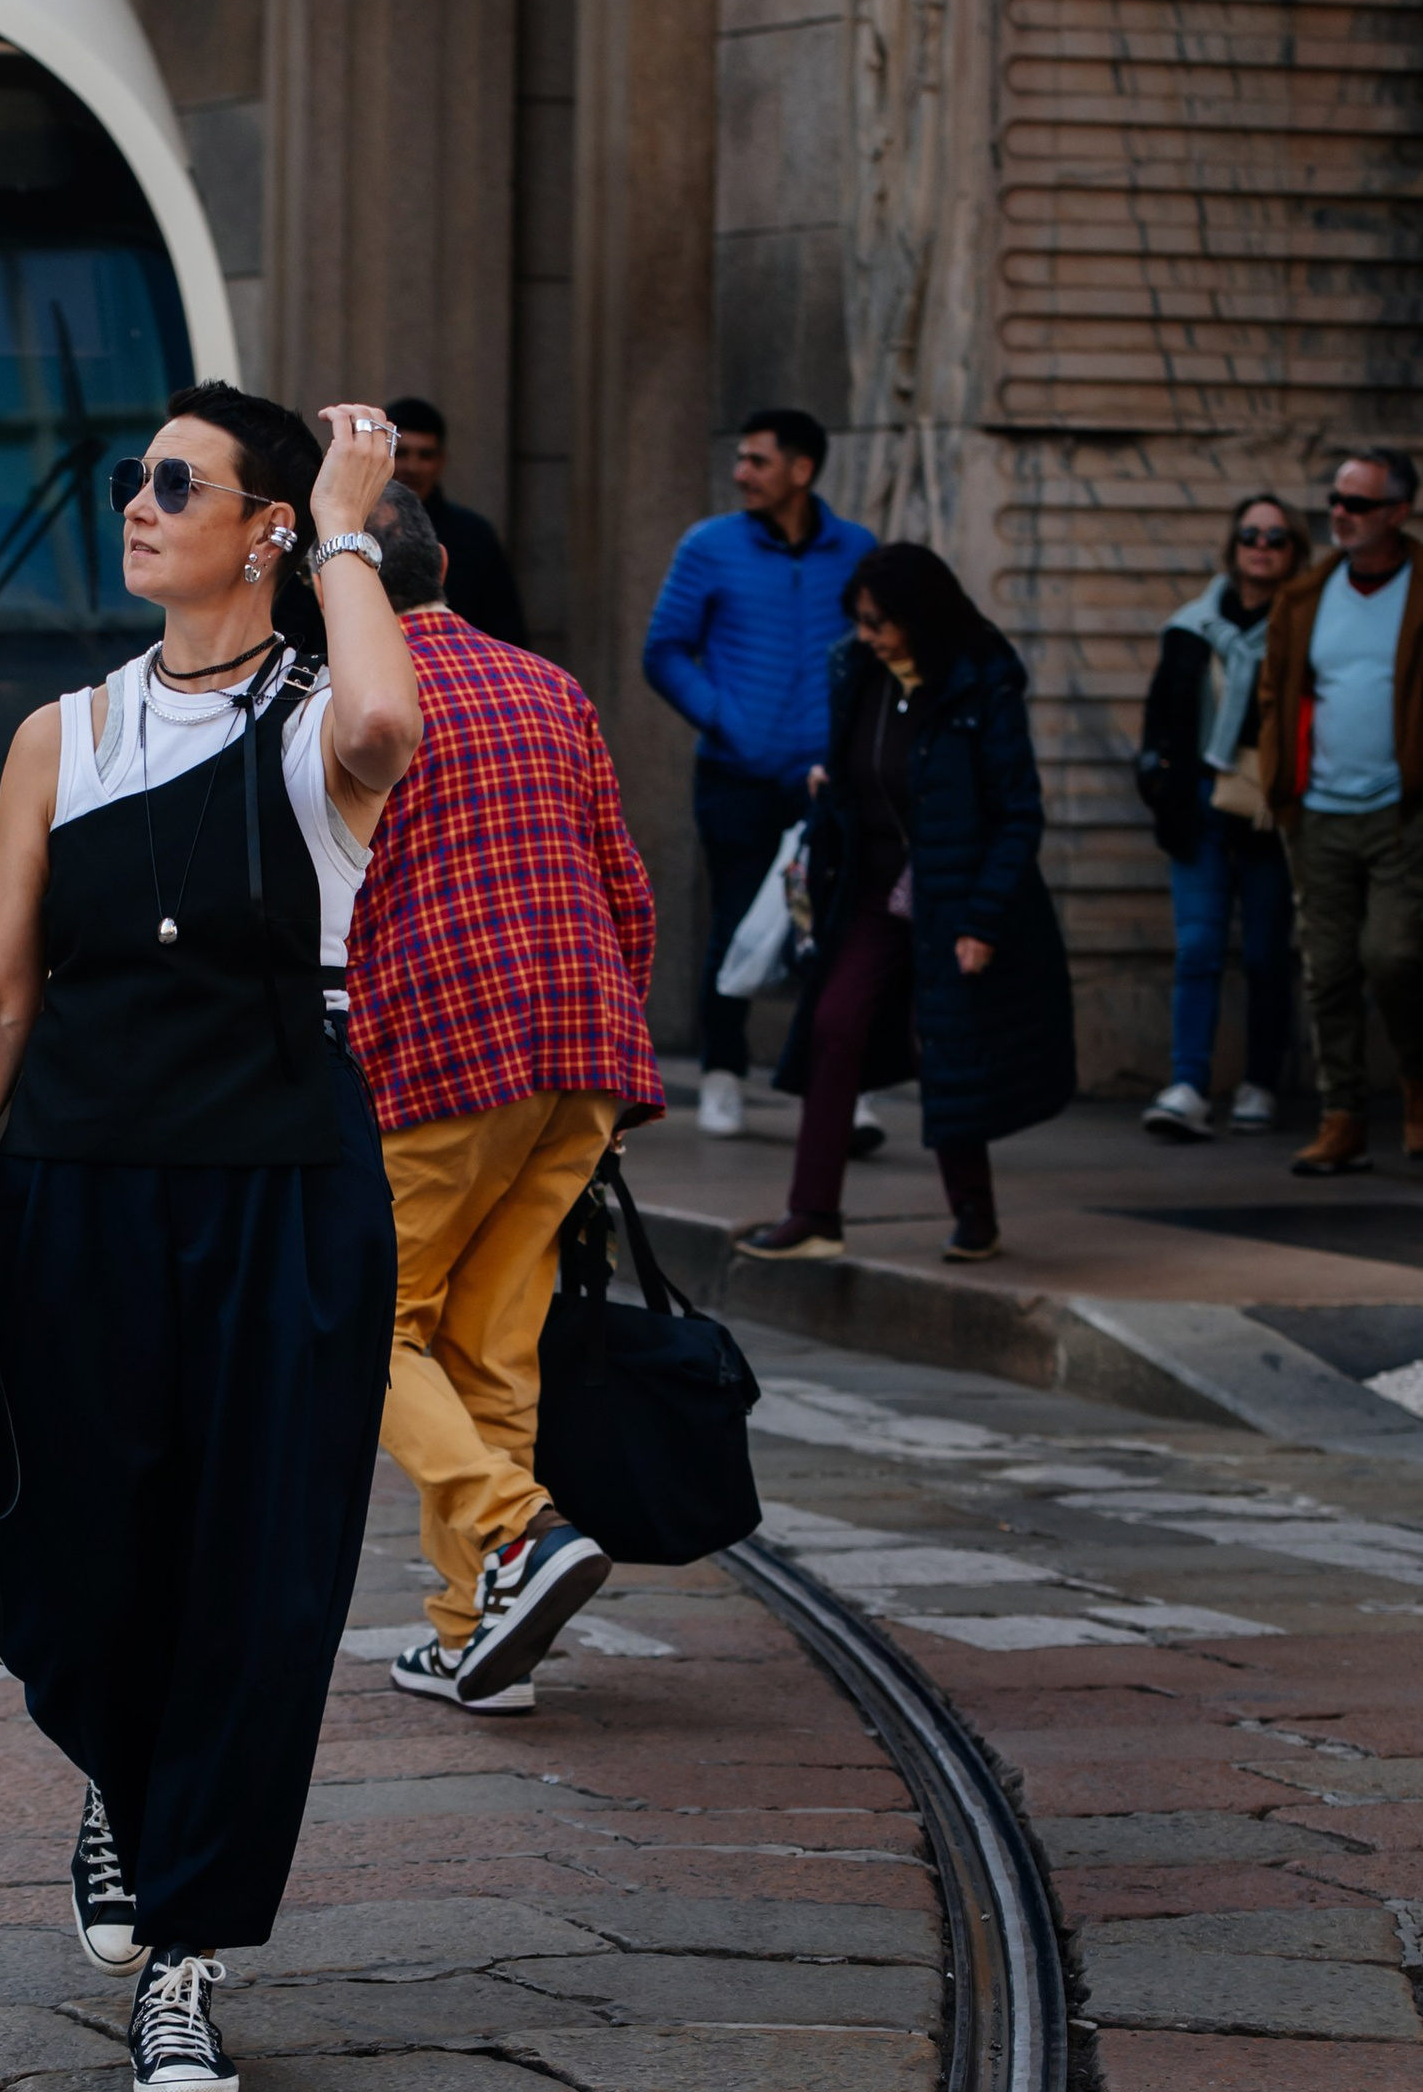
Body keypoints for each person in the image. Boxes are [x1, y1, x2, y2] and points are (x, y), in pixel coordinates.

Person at [0, 389, 420, 2092]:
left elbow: (394, 708)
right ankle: (122, 1770)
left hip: (279, 1191)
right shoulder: (66, 732)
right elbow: (3, 988)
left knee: (255, 1579)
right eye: (132, 476)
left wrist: (347, 509)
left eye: (177, 482)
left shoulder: (326, 723)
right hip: (81, 1191)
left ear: (262, 527)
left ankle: (185, 1959)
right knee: (66, 1557)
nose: (137, 501)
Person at [342, 480, 660, 1714]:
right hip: (580, 1045)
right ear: (443, 570)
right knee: (490, 1338)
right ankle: (475, 1630)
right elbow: (623, 881)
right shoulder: (549, 685)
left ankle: (513, 1532)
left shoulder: (349, 704)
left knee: (362, 1319)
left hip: (438, 1047)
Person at [743, 541, 1075, 1266]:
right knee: (835, 1024)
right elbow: (872, 767)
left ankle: (974, 1214)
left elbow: (1017, 812)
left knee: (945, 1044)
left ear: (919, 618)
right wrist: (837, 788)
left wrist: (984, 918)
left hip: (953, 895)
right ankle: (813, 1211)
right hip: (870, 888)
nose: (867, 636)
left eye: (879, 622)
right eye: (861, 621)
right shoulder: (858, 673)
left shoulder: (979, 680)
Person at [641, 406, 877, 1139]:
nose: (741, 473)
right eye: (739, 458)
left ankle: (845, 1086)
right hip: (737, 775)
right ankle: (722, 1072)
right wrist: (729, 720)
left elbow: (871, 651)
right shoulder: (709, 546)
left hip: (827, 780)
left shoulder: (857, 550)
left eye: (758, 461)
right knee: (737, 922)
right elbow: (666, 650)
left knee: (832, 931)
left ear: (801, 470)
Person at [1257, 448, 1423, 1177]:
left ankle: (1417, 1089)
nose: (1341, 515)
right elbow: (1277, 690)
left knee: (1393, 955)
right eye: (1336, 500)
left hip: (1403, 810)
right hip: (1318, 807)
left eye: (1358, 504)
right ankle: (1343, 1117)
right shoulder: (1306, 595)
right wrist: (1279, 774)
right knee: (1327, 969)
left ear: (1399, 513)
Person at [1133, 493, 1307, 1140]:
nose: (1262, 546)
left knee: (1265, 954)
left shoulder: (1307, 630)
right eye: (1250, 535)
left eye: (1277, 537)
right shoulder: (1191, 628)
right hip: (1201, 806)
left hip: (1271, 808)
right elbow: (1160, 715)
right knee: (1199, 947)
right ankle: (1188, 1084)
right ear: (1232, 548)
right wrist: (1156, 777)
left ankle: (1260, 1082)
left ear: (1294, 552)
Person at [386, 397, 526, 645]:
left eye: (425, 455)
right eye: (401, 453)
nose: (413, 466)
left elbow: (505, 629)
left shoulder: (474, 536)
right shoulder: (353, 524)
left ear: (441, 460)